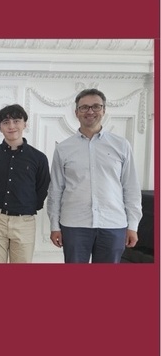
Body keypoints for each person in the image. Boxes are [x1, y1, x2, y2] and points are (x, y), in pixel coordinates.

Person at [47, 88, 142, 263]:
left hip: (113, 224)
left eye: (96, 106)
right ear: (76, 112)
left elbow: (131, 188)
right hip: (74, 224)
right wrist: (54, 226)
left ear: (104, 110)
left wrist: (133, 225)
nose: (90, 111)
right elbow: (55, 190)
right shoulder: (63, 149)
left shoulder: (121, 145)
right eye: (84, 107)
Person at [0, 104, 50, 263]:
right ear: (0, 127)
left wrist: (27, 207)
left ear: (25, 124)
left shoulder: (39, 158)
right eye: (6, 122)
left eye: (16, 121)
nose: (11, 126)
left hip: (24, 222)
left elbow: (42, 187)